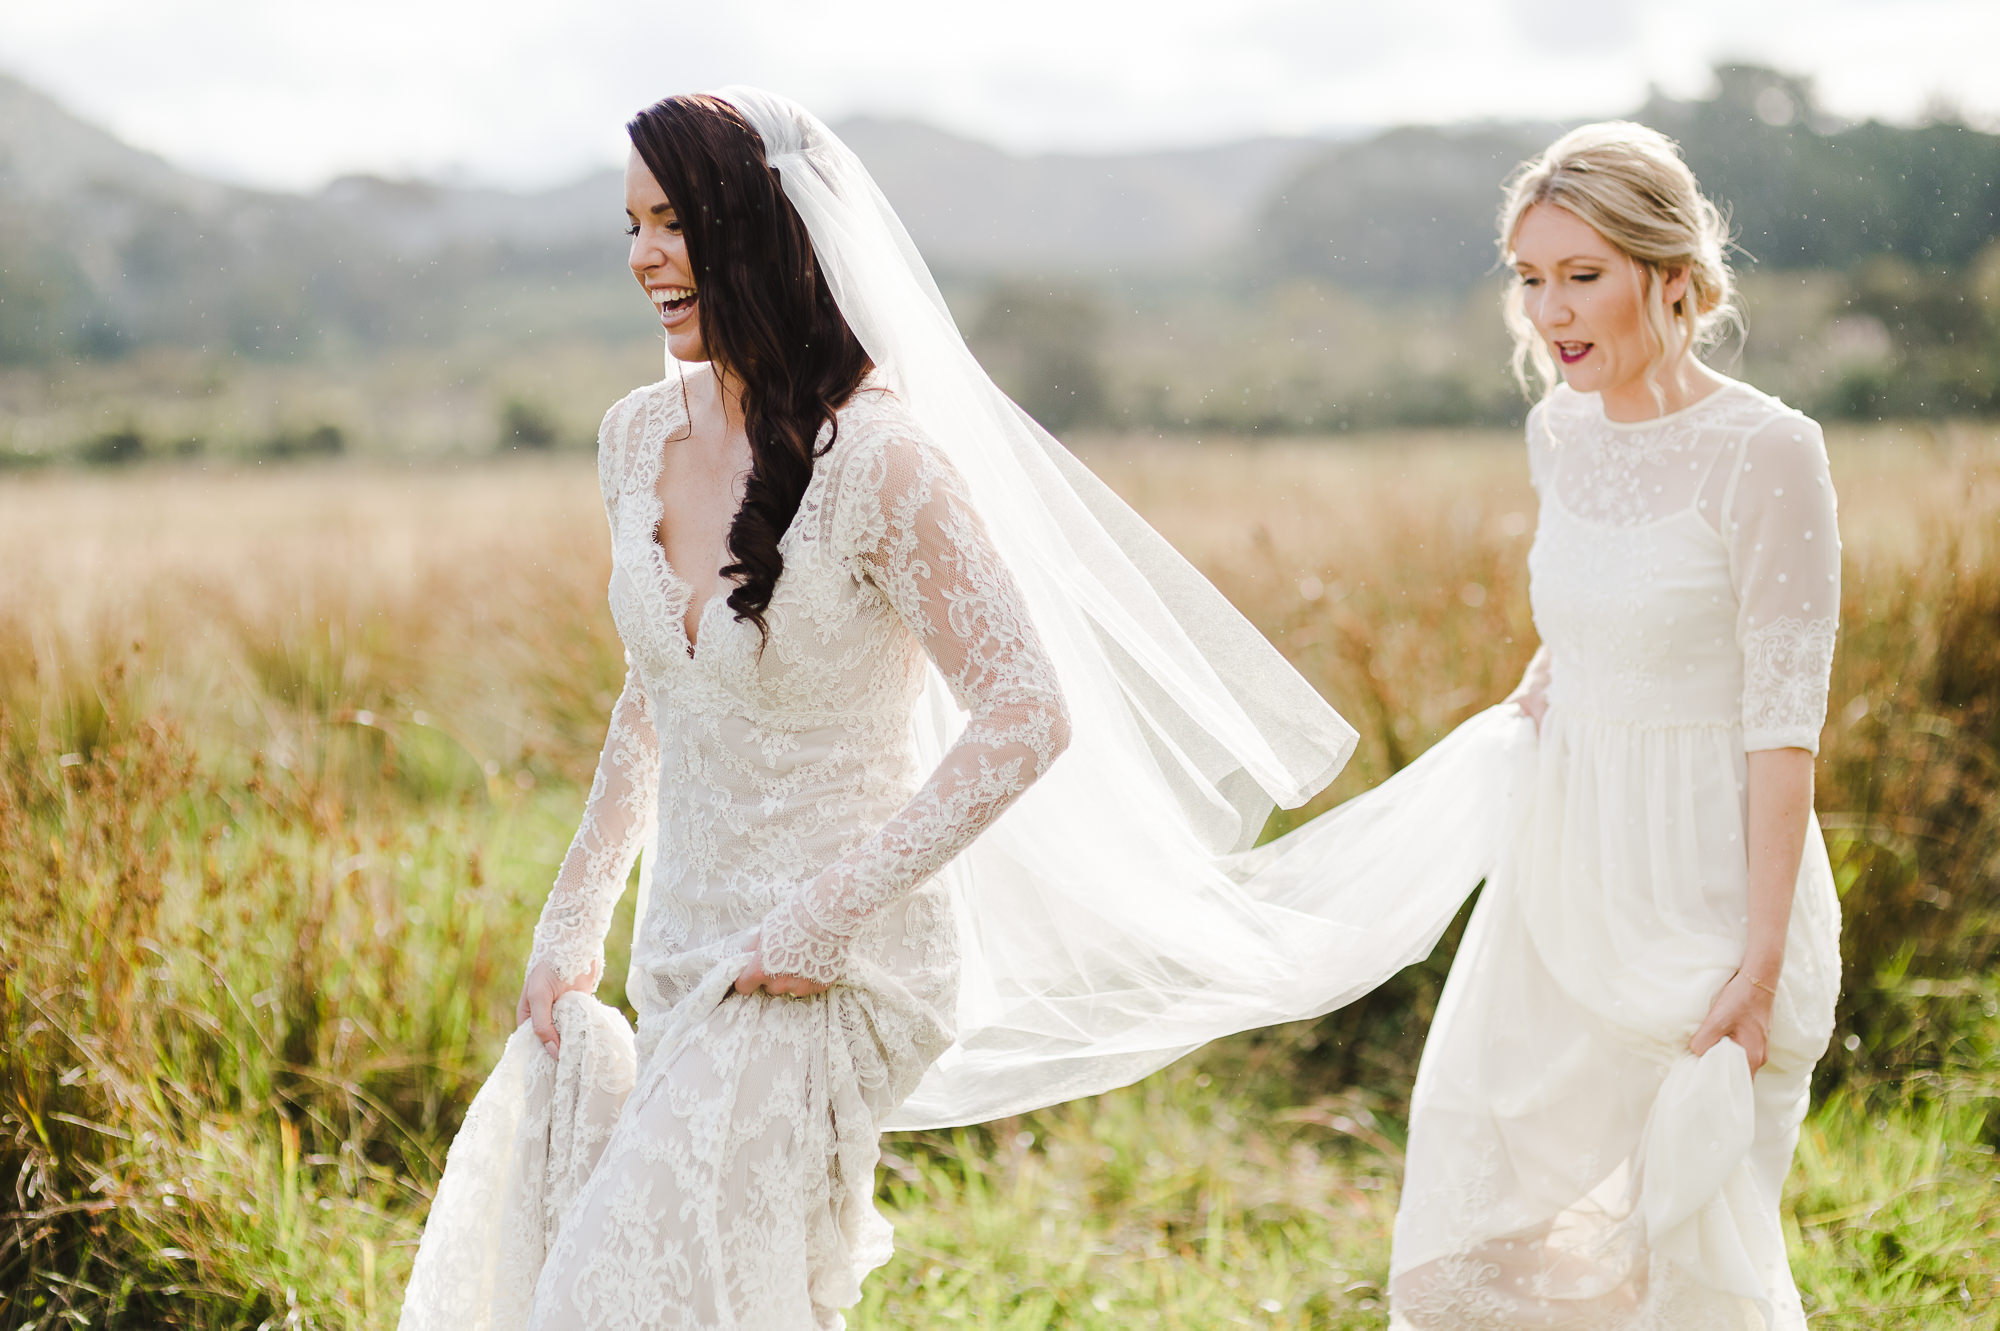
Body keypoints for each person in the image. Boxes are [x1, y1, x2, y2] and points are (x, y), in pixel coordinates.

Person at [397, 87, 1373, 1330]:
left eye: (673, 220)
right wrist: (575, 908)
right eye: (629, 224)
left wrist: (824, 913)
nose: (642, 255)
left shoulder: (884, 462)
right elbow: (658, 687)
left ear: (760, 229)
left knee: (615, 1291)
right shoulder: (632, 438)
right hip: (686, 939)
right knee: (731, 1294)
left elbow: (1026, 711)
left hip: (835, 962)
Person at [1384, 122, 1842, 1328]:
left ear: (1672, 276)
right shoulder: (1557, 435)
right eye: (1530, 277)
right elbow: (1602, 608)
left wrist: (1753, 961)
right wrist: (1548, 679)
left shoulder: (1768, 452)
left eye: (1581, 274)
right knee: (1480, 1240)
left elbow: (1780, 719)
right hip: (1562, 877)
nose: (1550, 310)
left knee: (1677, 1259)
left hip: (1707, 885)